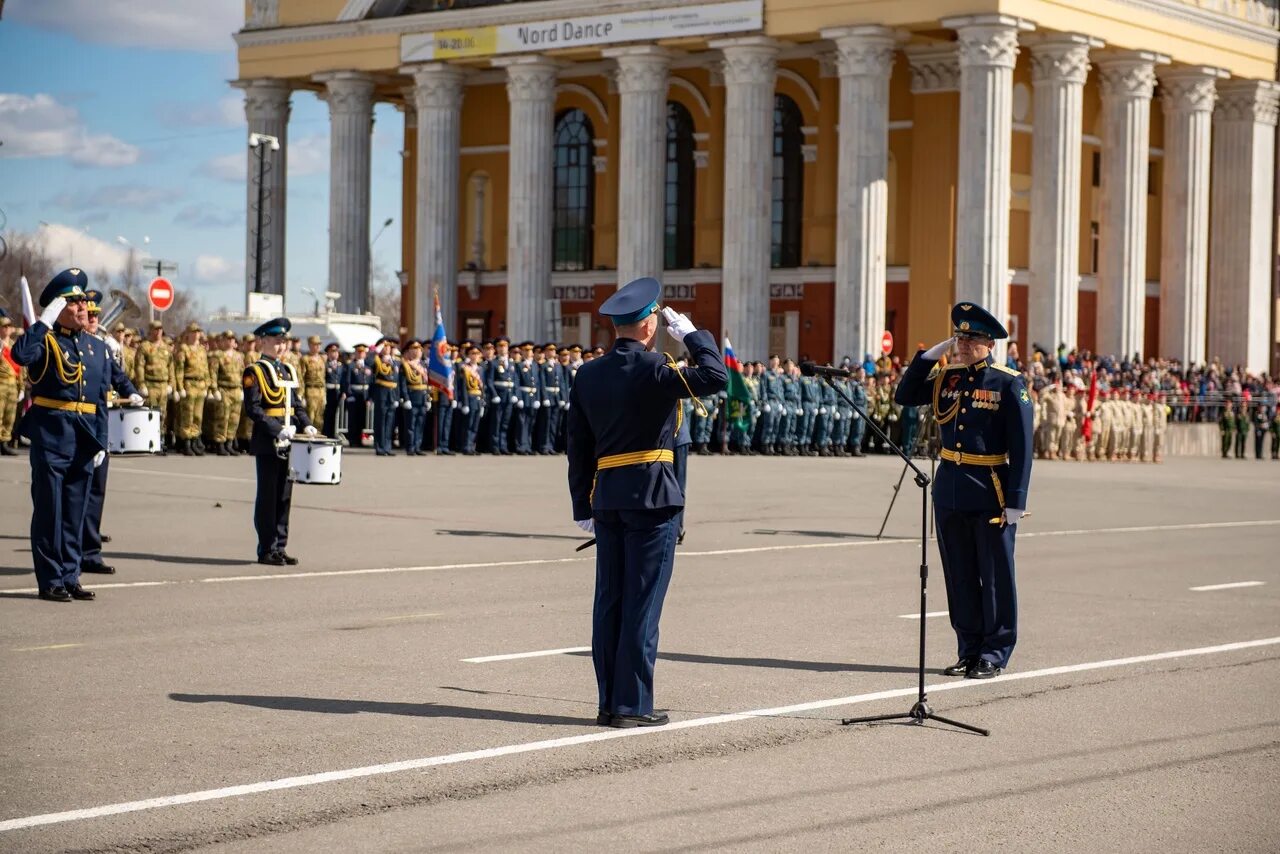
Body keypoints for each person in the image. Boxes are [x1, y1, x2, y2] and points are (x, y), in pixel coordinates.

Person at [566, 277, 726, 728]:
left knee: (610, 602)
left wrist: (582, 505)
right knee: (642, 604)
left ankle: (607, 701)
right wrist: (694, 336)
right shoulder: (658, 368)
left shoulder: (589, 374)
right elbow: (716, 376)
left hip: (608, 499)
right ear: (651, 324)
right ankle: (632, 706)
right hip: (653, 497)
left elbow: (577, 446)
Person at [894, 302, 1033, 678]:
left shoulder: (1008, 383)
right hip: (951, 489)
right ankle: (969, 648)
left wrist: (1017, 501)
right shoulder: (947, 377)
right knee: (959, 575)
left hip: (990, 490)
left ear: (989, 343)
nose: (963, 343)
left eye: (971, 338)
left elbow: (1022, 447)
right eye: (960, 337)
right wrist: (927, 358)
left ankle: (996, 650)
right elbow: (905, 396)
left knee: (995, 575)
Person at [11, 269, 143, 602]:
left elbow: (98, 399)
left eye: (84, 300)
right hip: (52, 437)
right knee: (50, 511)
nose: (83, 307)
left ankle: (71, 575)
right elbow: (19, 356)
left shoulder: (96, 347)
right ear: (59, 307)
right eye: (74, 302)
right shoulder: (46, 342)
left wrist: (100, 441)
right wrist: (42, 323)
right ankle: (50, 579)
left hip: (84, 439)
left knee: (74, 513)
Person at [243, 317, 315, 566]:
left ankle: (280, 545)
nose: (281, 346)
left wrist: (306, 423)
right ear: (262, 341)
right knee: (268, 496)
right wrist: (276, 430)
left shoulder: (286, 370)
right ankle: (266, 548)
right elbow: (253, 409)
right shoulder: (254, 372)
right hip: (268, 440)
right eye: (276, 341)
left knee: (284, 496)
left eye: (283, 341)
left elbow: (295, 403)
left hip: (290, 440)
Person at [0, 312, 20, 455]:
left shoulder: (14, 346)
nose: (7, 329)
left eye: (9, 326)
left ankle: (5, 442)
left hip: (13, 385)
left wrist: (22, 386)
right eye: (4, 326)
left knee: (10, 416)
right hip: (1, 384)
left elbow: (20, 367)